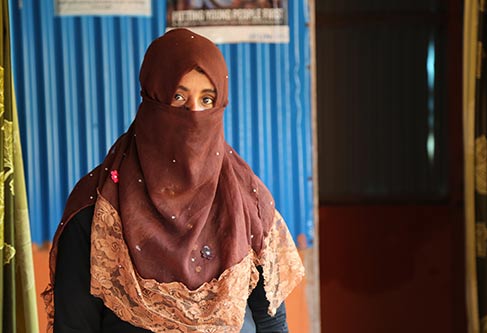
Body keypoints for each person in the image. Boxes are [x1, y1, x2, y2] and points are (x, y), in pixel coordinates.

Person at [42, 28, 304, 333]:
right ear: (151, 100)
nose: (194, 114)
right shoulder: (98, 211)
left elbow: (271, 322)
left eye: (208, 100)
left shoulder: (248, 202)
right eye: (178, 97)